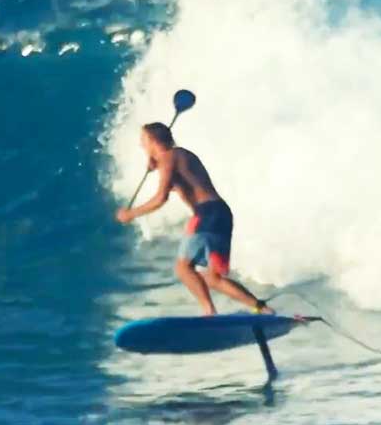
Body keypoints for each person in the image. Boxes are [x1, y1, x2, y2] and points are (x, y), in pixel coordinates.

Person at [115, 123, 273, 316]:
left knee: (183, 268)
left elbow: (160, 198)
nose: (141, 145)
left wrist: (131, 214)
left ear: (152, 141)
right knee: (213, 278)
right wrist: (155, 161)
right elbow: (184, 185)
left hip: (205, 214)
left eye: (143, 141)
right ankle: (261, 308)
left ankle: (208, 311)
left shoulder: (168, 159)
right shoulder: (183, 156)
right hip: (222, 214)